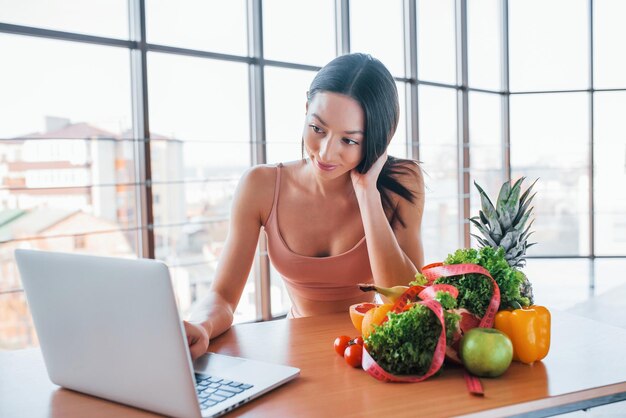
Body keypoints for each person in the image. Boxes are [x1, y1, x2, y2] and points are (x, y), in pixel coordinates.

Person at [183, 53, 425, 360]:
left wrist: (367, 194)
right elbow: (222, 296)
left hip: (369, 352)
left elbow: (409, 301)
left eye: (349, 141)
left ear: (377, 140)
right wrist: (202, 327)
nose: (325, 152)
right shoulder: (261, 184)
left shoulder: (401, 182)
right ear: (306, 111)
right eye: (318, 129)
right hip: (296, 356)